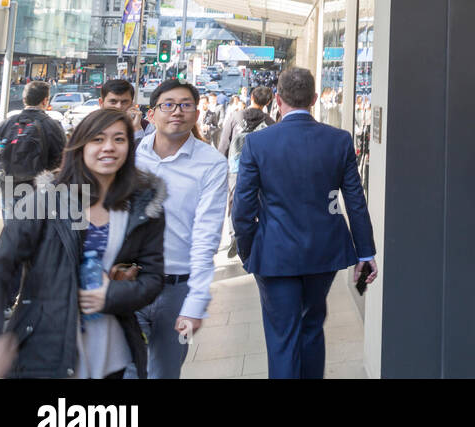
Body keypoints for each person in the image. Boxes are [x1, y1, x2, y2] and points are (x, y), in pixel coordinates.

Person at [0, 109, 166, 378]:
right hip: (45, 351)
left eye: (119, 139)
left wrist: (112, 295)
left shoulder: (143, 206)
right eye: (97, 139)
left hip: (112, 354)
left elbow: (153, 277)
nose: (109, 147)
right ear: (80, 146)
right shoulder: (46, 201)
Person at [233, 67, 376, 379]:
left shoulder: (258, 144)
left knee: (282, 336)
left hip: (274, 254)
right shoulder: (338, 140)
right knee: (311, 328)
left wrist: (249, 252)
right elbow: (355, 201)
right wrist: (365, 252)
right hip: (323, 255)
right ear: (313, 99)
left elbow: (242, 210)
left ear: (279, 100)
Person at [132, 80, 228, 378]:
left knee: (165, 372)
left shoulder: (211, 163)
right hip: (127, 283)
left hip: (177, 291)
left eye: (186, 105)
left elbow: (206, 235)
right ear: (152, 114)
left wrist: (196, 302)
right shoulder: (131, 155)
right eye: (168, 104)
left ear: (197, 113)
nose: (177, 111)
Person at [0, 81, 66, 208]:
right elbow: (62, 161)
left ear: (24, 99)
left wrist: (2, 182)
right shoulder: (53, 126)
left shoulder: (5, 125)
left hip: (9, 191)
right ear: (45, 100)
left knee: (11, 227)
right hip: (39, 194)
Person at [222, 85, 275, 259]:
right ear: (268, 101)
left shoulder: (235, 116)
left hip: (236, 167)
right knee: (258, 201)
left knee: (233, 201)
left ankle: (233, 234)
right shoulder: (269, 122)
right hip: (261, 170)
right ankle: (253, 234)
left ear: (251, 97)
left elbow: (224, 144)